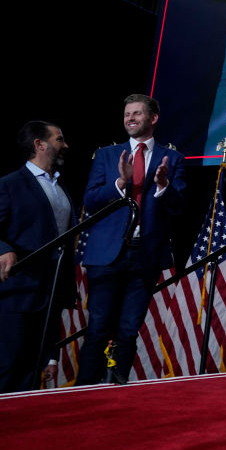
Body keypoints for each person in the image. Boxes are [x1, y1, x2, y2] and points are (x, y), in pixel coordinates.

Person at [76, 94, 186, 385]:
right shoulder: (107, 156)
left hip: (145, 256)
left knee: (127, 330)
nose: (131, 119)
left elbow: (179, 207)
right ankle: (82, 392)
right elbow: (90, 200)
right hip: (106, 256)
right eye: (127, 114)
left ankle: (116, 392)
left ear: (153, 118)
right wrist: (121, 183)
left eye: (137, 113)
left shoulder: (172, 159)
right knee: (98, 327)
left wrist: (163, 186)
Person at [0, 121, 76, 393]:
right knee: (6, 370)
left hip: (48, 297)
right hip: (14, 297)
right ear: (40, 145)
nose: (64, 145)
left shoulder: (61, 189)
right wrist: (1, 249)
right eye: (59, 139)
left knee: (31, 374)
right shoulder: (8, 185)